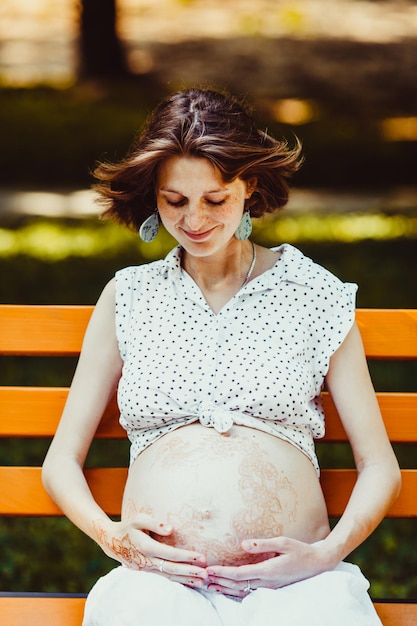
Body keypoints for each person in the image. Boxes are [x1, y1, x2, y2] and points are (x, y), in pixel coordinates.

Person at [42, 88, 401, 626]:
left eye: (216, 199)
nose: (194, 221)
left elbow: (380, 466)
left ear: (249, 187)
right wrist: (114, 537)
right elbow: (60, 462)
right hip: (157, 586)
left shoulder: (312, 293)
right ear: (152, 196)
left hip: (296, 586)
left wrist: (326, 556)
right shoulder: (130, 295)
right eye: (174, 201)